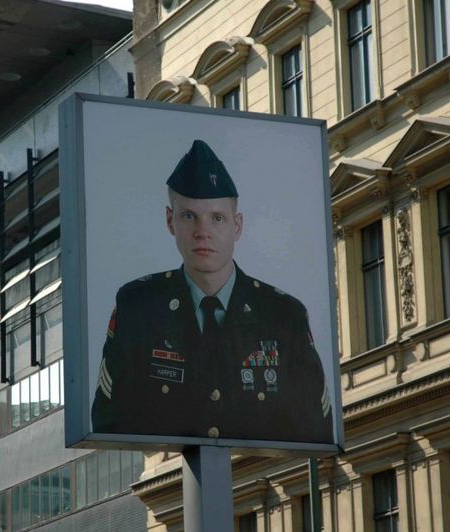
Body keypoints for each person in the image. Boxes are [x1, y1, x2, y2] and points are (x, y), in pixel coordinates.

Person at [91, 139, 332, 443]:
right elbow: (109, 419)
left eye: (217, 218)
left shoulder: (283, 314)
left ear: (237, 226)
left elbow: (315, 426)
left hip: (260, 477)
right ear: (170, 221)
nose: (202, 231)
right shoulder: (138, 307)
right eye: (189, 216)